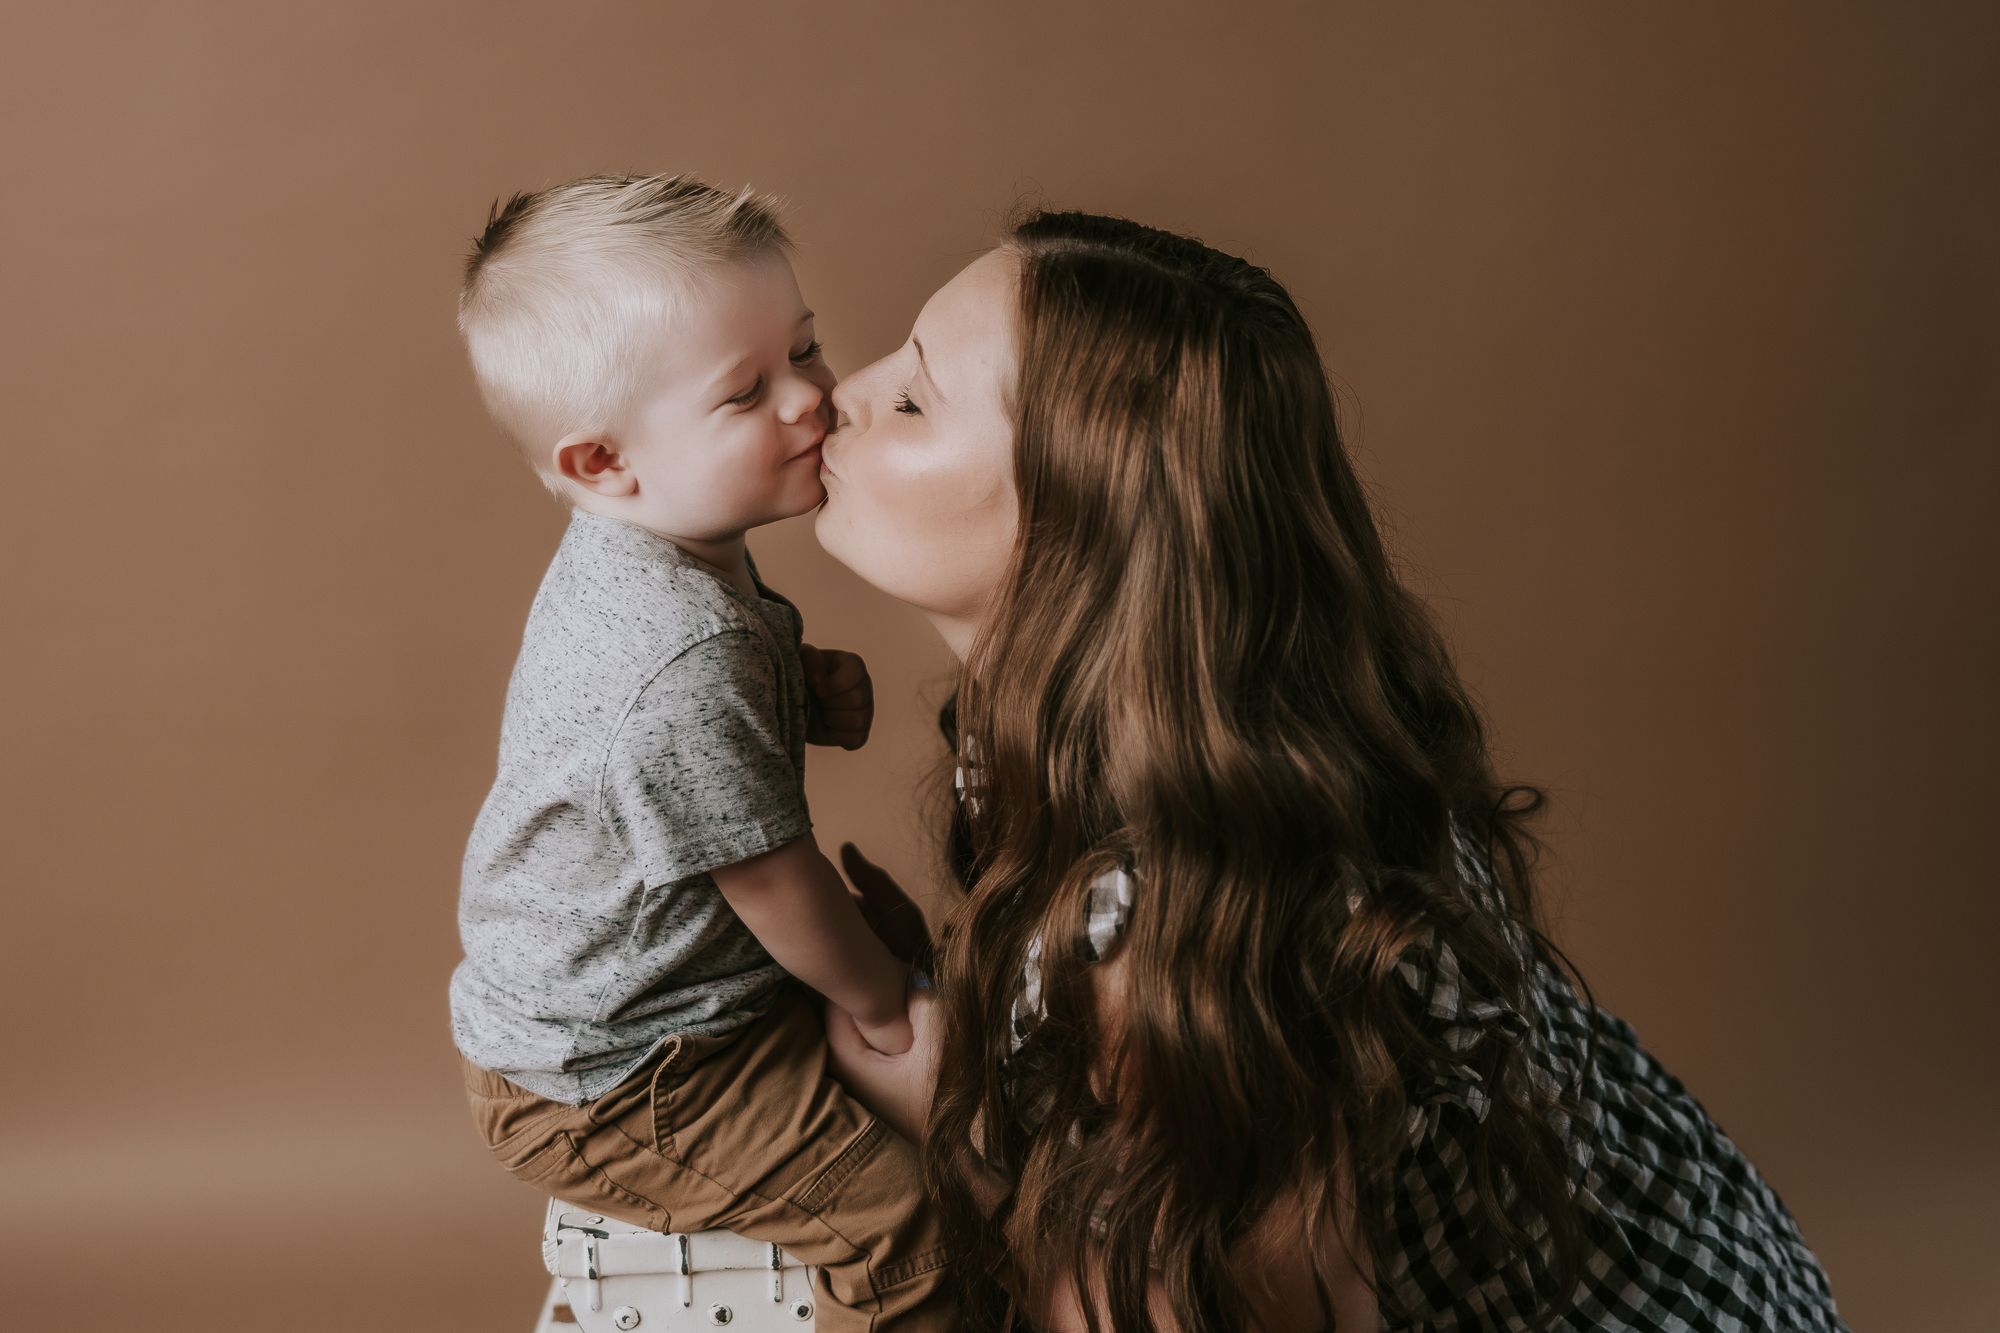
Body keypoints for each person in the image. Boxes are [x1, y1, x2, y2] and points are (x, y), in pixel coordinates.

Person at [813, 210, 1849, 1332]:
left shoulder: (1183, 917)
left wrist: (961, 1130)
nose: (840, 393)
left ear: (1082, 518)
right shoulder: (1205, 724)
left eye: (914, 399)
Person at [446, 173, 950, 1331]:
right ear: (601, 462)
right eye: (745, 392)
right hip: (621, 1074)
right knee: (908, 1230)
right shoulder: (678, 649)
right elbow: (772, 881)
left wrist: (797, 684)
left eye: (804, 349)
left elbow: (646, 736)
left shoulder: (662, 547)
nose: (810, 397)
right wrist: (883, 1005)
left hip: (661, 997)